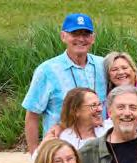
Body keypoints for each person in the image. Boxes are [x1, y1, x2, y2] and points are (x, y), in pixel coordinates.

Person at [23, 13, 107, 152]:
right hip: (61, 153)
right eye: (75, 34)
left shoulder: (103, 65)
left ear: (93, 38)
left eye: (86, 34)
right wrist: (34, 154)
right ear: (63, 36)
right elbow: (32, 115)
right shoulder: (47, 70)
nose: (81, 39)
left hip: (100, 149)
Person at [54, 87, 111, 154]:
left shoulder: (111, 128)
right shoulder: (65, 139)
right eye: (93, 105)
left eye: (99, 104)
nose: (100, 109)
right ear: (76, 111)